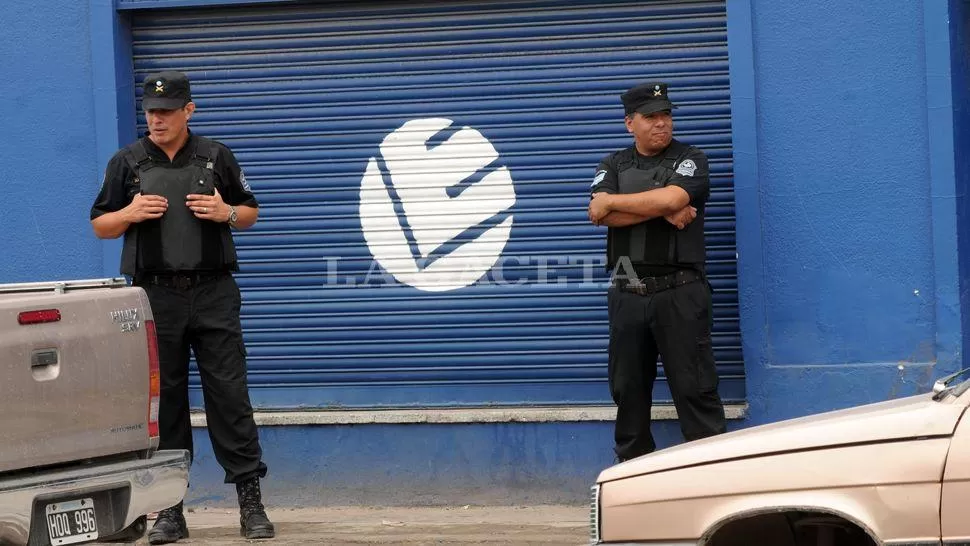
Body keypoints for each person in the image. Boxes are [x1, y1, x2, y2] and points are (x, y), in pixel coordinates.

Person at [90, 71, 274, 543]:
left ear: (188, 111)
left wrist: (226, 213)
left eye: (167, 112)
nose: (158, 120)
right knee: (165, 402)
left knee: (229, 397)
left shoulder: (216, 157)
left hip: (214, 292)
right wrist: (129, 213)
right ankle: (170, 509)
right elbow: (100, 226)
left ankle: (250, 503)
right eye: (152, 112)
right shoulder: (126, 162)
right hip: (155, 297)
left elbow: (250, 211)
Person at [587, 82, 727, 463]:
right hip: (627, 294)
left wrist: (621, 202)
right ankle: (633, 484)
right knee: (628, 392)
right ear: (629, 123)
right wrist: (662, 208)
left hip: (680, 293)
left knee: (695, 391)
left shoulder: (691, 158)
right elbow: (599, 213)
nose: (662, 124)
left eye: (666, 115)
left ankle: (712, 483)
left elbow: (673, 198)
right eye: (651, 117)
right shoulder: (613, 164)